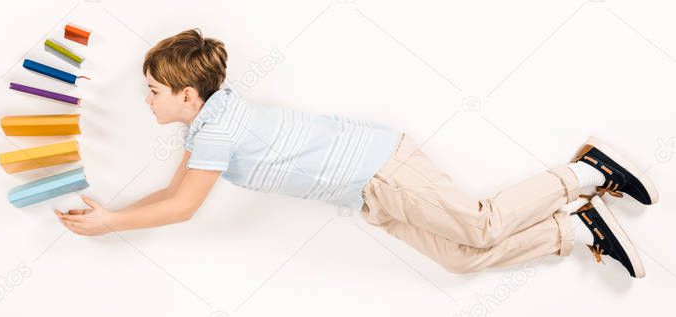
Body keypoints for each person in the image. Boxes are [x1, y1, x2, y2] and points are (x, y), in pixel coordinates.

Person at [54, 29, 659, 278]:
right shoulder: (210, 122)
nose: (148, 101)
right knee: (462, 259)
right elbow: (172, 194)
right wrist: (114, 212)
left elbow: (183, 207)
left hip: (377, 168)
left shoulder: (214, 128)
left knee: (480, 224)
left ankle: (587, 171)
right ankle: (576, 229)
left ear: (188, 94)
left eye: (154, 91)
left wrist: (110, 222)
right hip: (365, 191)